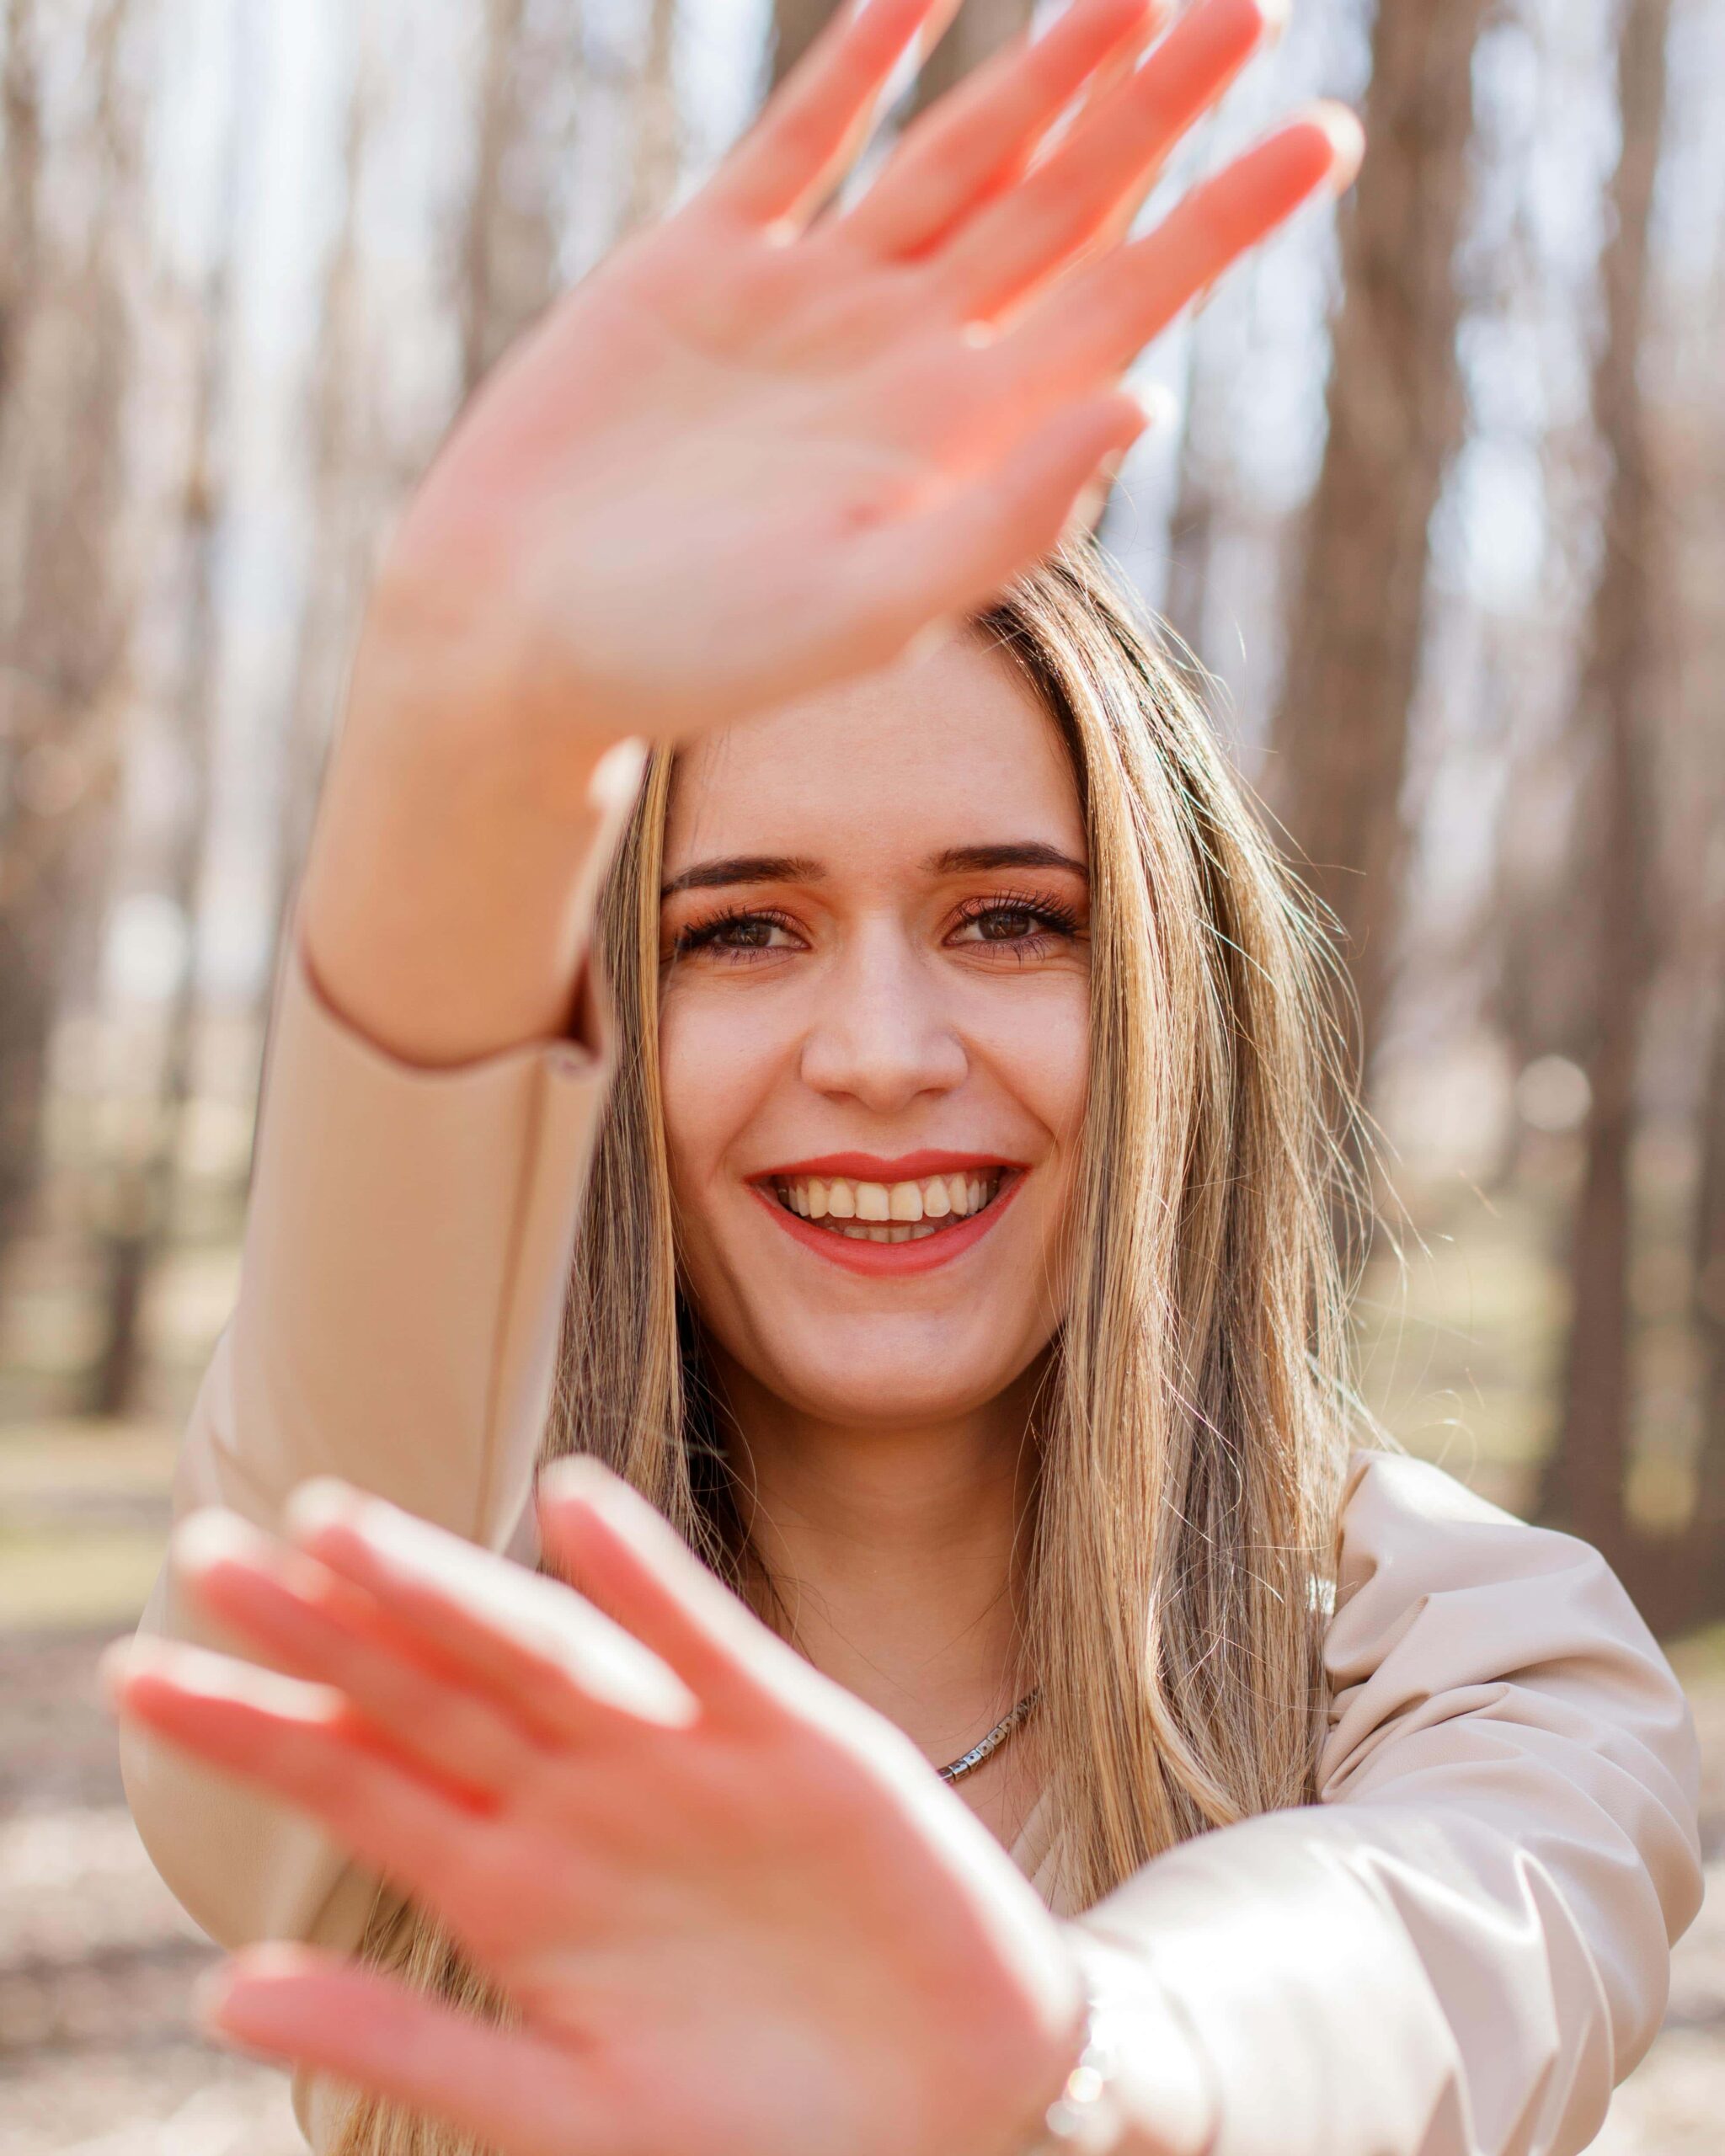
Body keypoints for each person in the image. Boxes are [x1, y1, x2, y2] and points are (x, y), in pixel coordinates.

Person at [105, 1, 1702, 2153]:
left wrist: (1060, 2054)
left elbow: (1428, 1955)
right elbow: (291, 1642)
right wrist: (461, 733)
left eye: (1011, 920)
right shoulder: (458, 1662)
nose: (878, 1053)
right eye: (737, 928)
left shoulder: (1474, 1652)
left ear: (1175, 996)